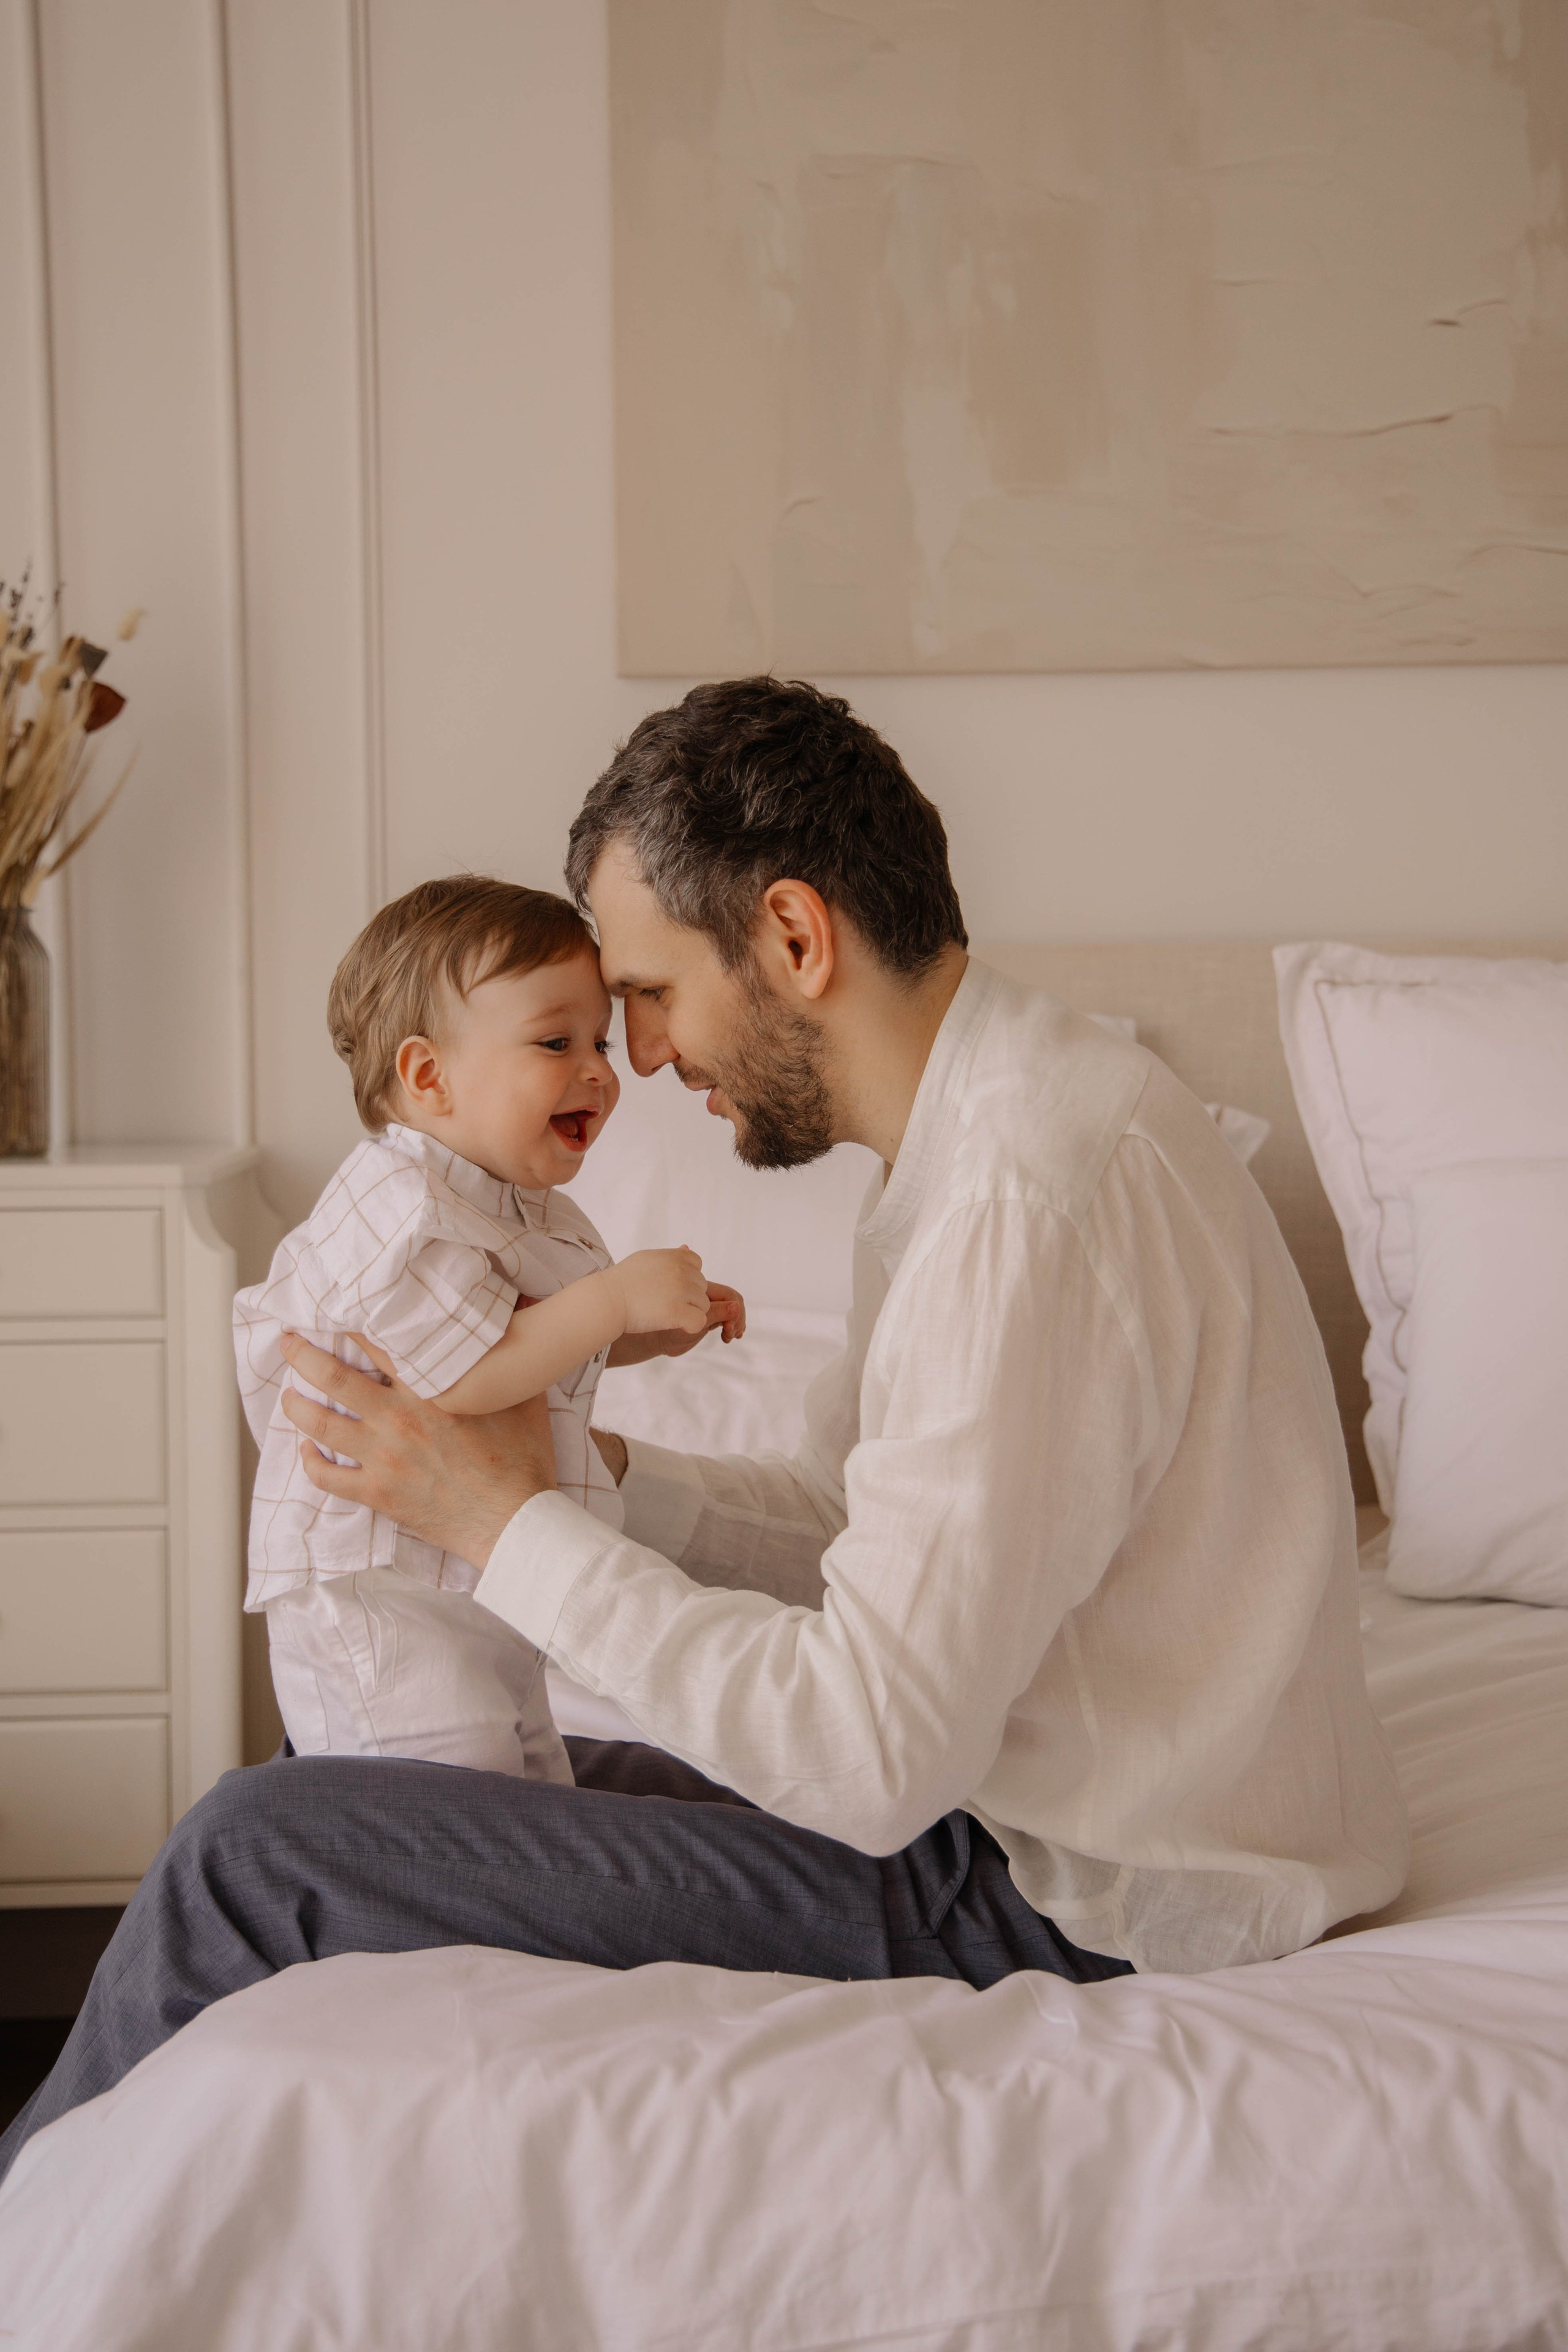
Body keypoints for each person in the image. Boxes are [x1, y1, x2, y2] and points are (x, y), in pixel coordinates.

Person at [0, 677, 1408, 2183]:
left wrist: (500, 1527)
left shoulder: (1018, 1203)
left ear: (793, 939)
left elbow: (867, 1753)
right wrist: (578, 1473)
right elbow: (852, 1518)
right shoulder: (1002, 1125)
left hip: (1072, 1896)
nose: (644, 1059)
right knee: (361, 1793)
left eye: (653, 994)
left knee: (253, 1850)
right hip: (1038, 1810)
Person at [235, 873, 742, 1781]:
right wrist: (616, 1300)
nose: (599, 1068)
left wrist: (654, 1331)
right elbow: (462, 1379)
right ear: (428, 1076)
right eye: (556, 1041)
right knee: (454, 1810)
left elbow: (530, 1345)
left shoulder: (513, 1202)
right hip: (384, 1601)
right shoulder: (400, 1207)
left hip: (475, 1581)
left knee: (537, 1790)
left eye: (598, 1041)